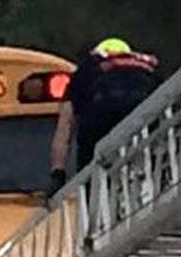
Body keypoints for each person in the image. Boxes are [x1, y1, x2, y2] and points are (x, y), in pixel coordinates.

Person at [49, 37, 160, 195]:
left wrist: (57, 174)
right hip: (142, 115)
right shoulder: (148, 70)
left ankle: (95, 199)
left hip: (99, 119)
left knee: (93, 174)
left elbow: (64, 127)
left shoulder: (86, 71)